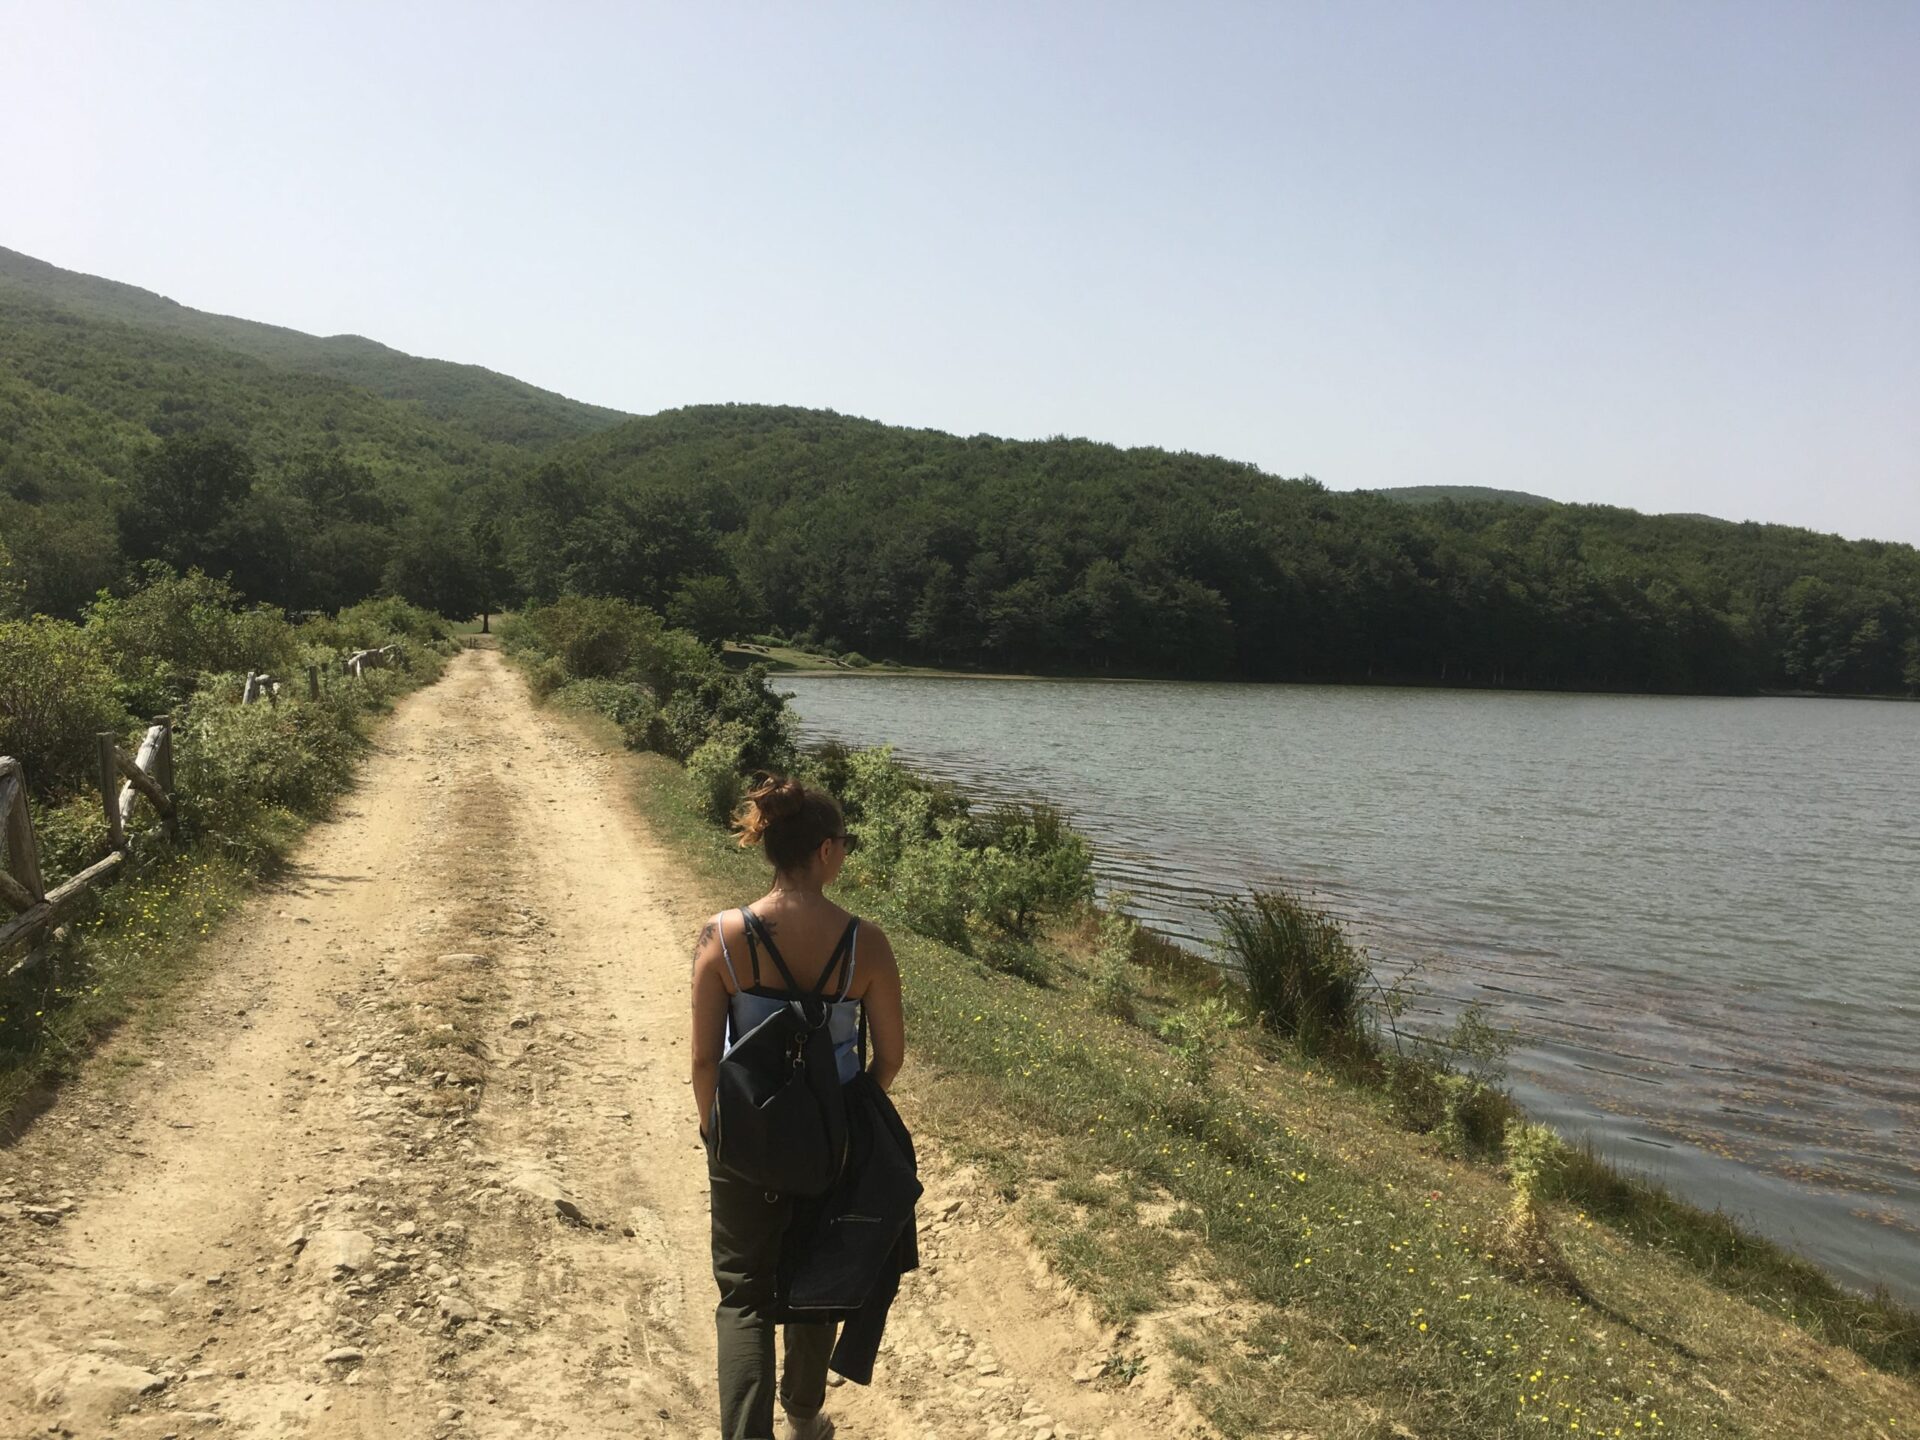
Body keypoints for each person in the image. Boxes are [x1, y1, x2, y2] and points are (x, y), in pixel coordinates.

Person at [691, 775, 906, 1440]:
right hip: (830, 1135)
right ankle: (805, 1414)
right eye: (841, 841)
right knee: (817, 1274)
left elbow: (703, 1061)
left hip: (746, 1137)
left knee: (745, 1297)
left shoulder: (721, 937)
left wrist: (717, 1133)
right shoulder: (865, 944)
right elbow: (890, 1058)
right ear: (824, 851)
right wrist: (846, 1116)